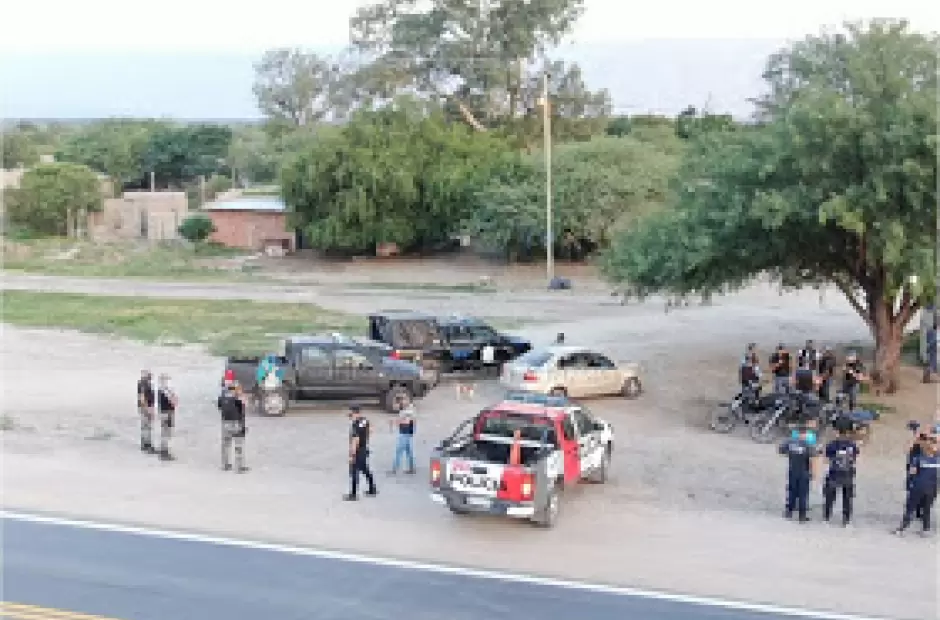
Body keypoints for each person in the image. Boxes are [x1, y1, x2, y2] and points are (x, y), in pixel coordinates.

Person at [895, 433, 939, 536]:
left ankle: (924, 529)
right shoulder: (918, 458)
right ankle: (904, 528)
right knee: (912, 508)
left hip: (929, 488)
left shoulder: (935, 458)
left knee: (925, 509)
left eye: (932, 443)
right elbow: (912, 472)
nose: (931, 446)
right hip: (919, 487)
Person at [823, 417, 860, 526]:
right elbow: (855, 457)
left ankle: (826, 517)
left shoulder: (832, 445)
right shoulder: (852, 445)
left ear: (836, 431)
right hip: (848, 474)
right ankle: (846, 519)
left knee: (830, 496)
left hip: (834, 473)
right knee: (847, 498)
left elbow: (826, 459)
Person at [779, 426, 820, 522]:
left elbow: (781, 450)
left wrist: (790, 454)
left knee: (791, 491)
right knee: (803, 494)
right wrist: (813, 472)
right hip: (804, 472)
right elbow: (814, 456)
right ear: (805, 434)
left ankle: (789, 512)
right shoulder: (808, 445)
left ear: (797, 433)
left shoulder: (789, 442)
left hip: (792, 470)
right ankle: (802, 516)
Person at [344, 405, 377, 501]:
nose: (350, 417)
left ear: (355, 413)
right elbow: (371, 430)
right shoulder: (364, 420)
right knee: (365, 469)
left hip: (358, 450)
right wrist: (365, 439)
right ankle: (372, 488)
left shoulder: (355, 425)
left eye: (350, 415)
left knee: (354, 472)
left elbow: (355, 440)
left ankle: (353, 494)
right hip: (364, 448)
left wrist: (352, 455)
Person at [218, 378, 248, 473]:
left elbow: (219, 407)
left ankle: (225, 464)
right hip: (236, 422)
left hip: (225, 422)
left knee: (226, 444)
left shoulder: (222, 395)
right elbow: (243, 409)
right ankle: (239, 467)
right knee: (239, 445)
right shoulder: (238, 396)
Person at [389, 405, 416, 475]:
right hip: (408, 434)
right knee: (409, 452)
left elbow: (403, 422)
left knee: (399, 452)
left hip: (403, 434)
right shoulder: (410, 412)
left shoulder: (404, 413)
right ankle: (411, 468)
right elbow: (413, 422)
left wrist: (396, 422)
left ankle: (394, 469)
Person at [156, 373, 177, 462]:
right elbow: (174, 402)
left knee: (166, 432)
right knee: (166, 432)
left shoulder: (163, 390)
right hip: (167, 413)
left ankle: (164, 450)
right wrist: (173, 396)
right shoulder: (165, 391)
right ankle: (164, 452)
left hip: (166, 412)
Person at [137, 369, 156, 454]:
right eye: (149, 375)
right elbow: (142, 397)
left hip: (145, 407)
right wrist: (147, 409)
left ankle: (145, 444)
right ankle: (146, 445)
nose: (151, 377)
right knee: (146, 426)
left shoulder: (143, 384)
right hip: (145, 407)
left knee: (146, 426)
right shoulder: (144, 384)